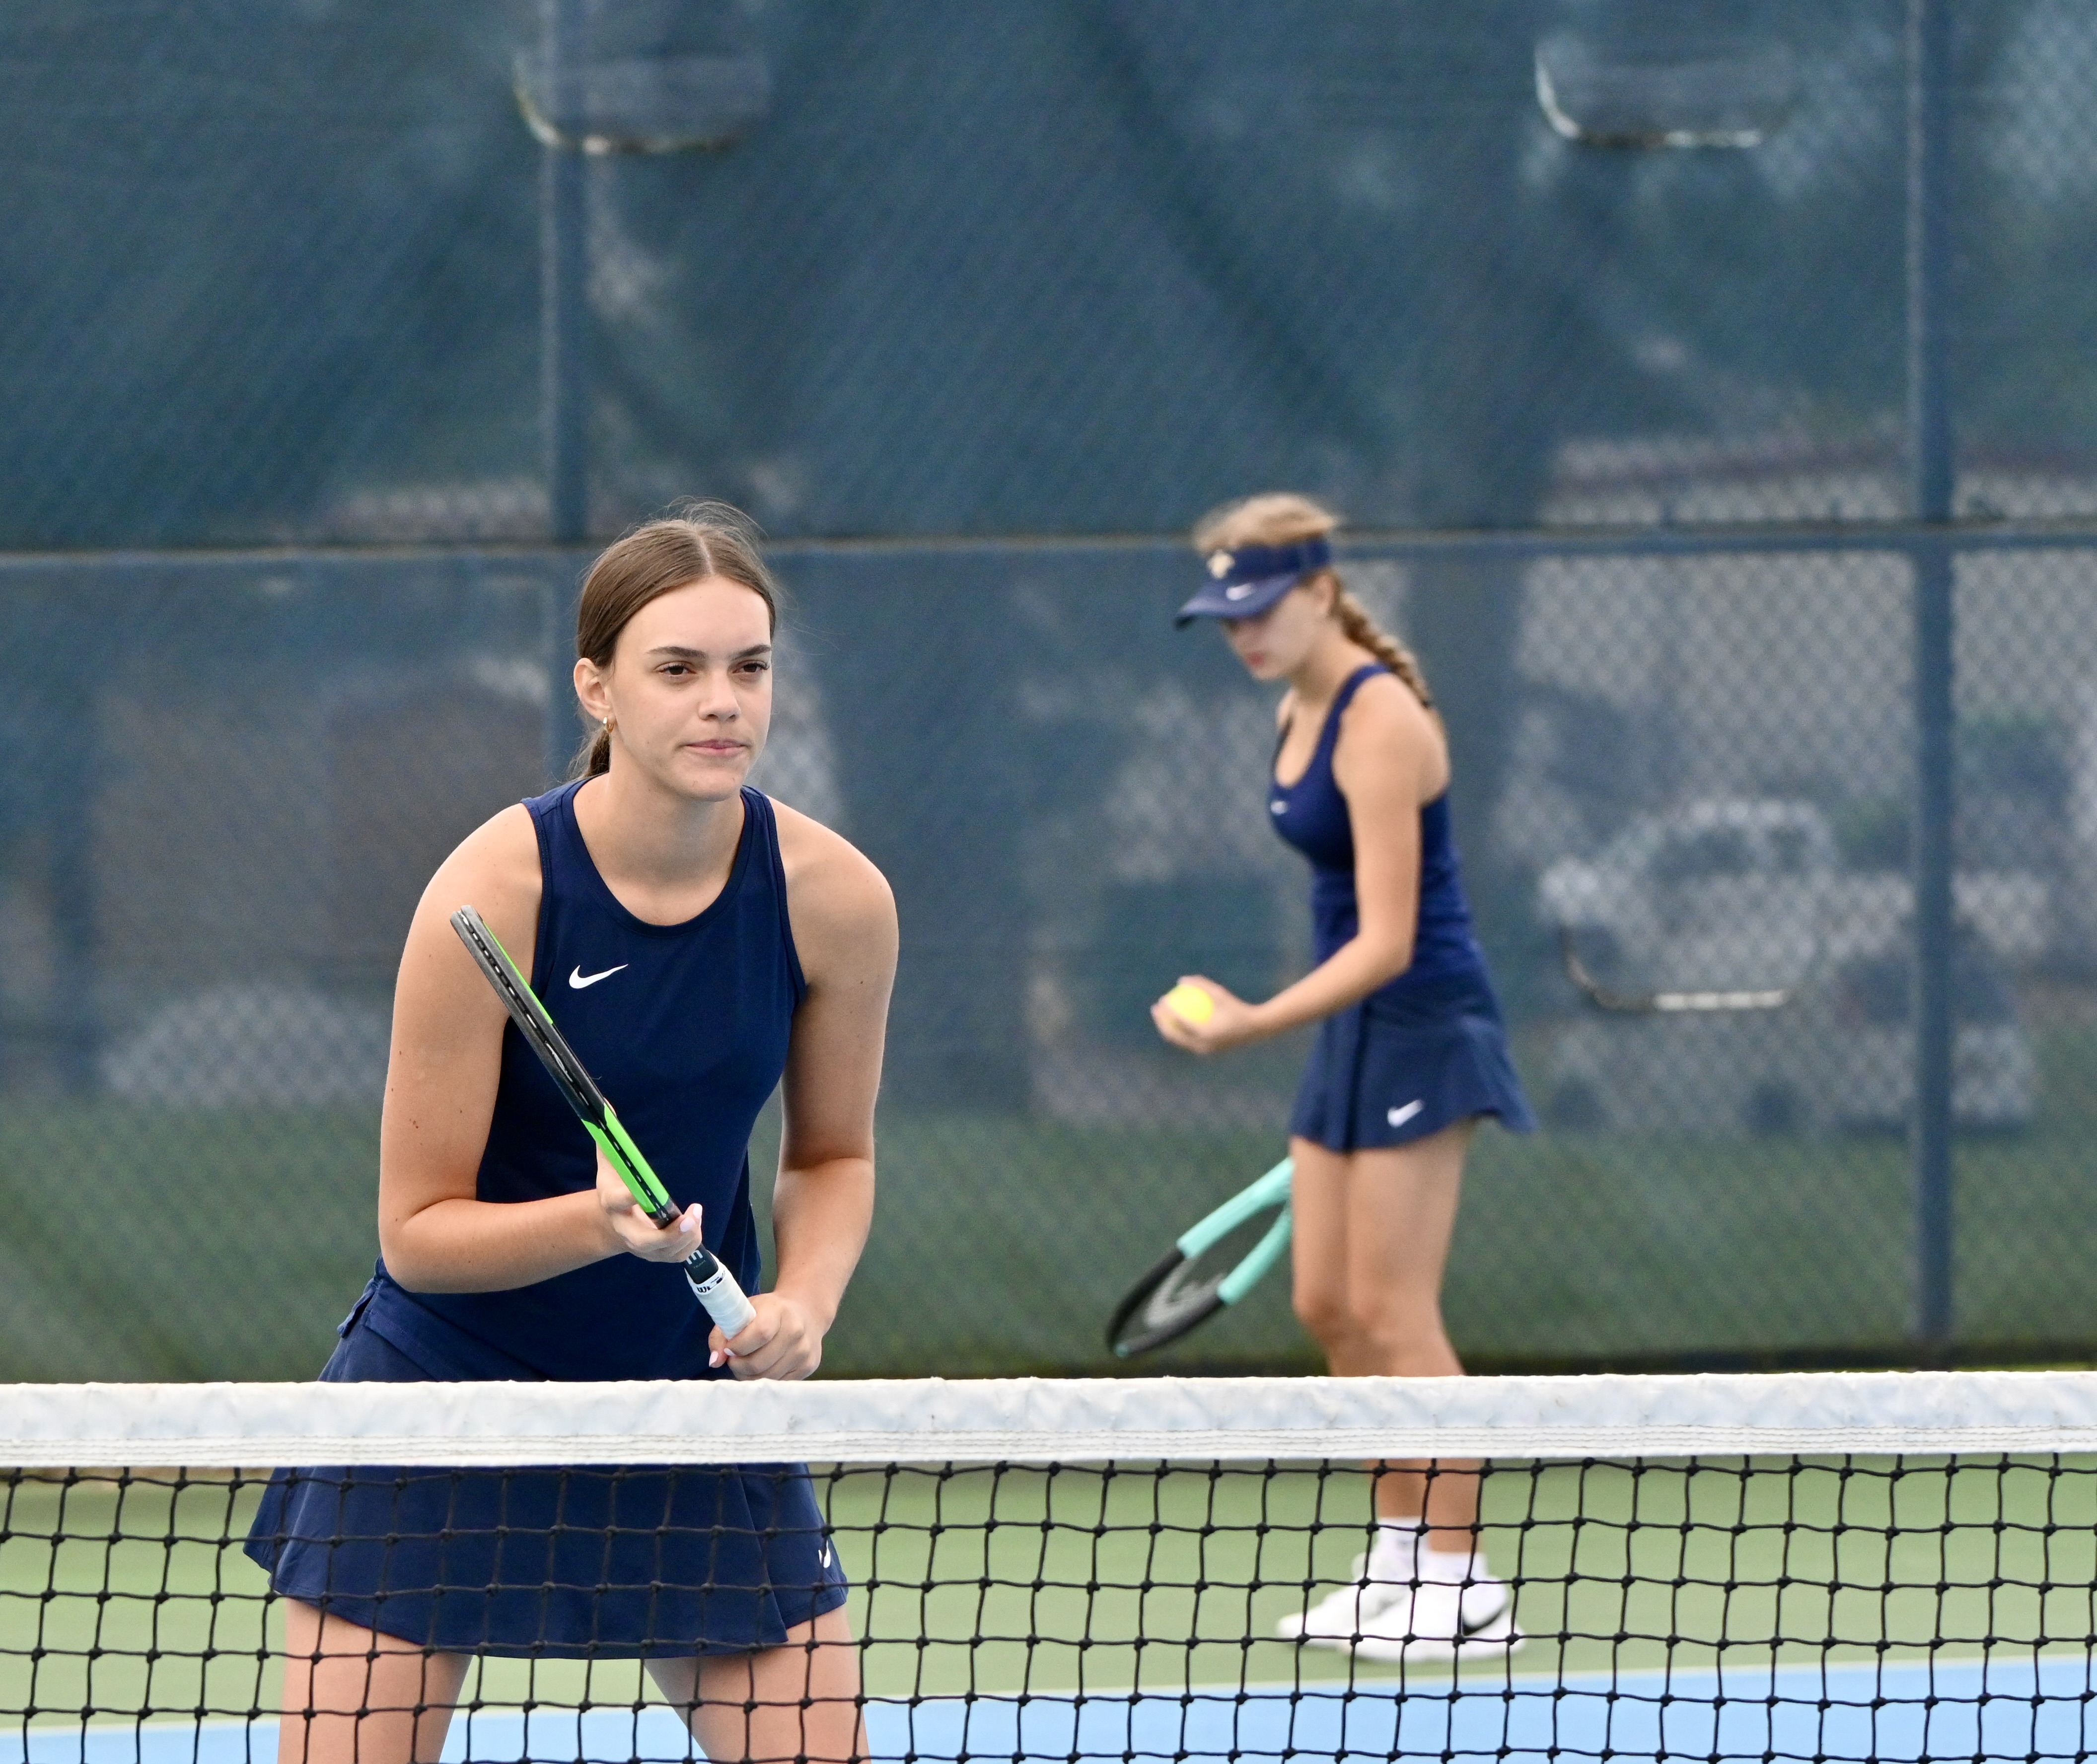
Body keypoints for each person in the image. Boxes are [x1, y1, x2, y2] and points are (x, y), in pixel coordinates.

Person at [245, 504, 897, 1764]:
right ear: (597, 686)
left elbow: (834, 1154)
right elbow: (417, 1234)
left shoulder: (837, 898)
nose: (723, 702)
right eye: (678, 669)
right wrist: (594, 1224)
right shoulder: (494, 890)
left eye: (750, 667)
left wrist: (805, 1301)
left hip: (688, 1398)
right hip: (446, 1389)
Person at [1153, 493, 1534, 1662]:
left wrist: (1253, 1020)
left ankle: (1465, 1585)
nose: (1245, 634)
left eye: (1262, 610)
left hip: (1424, 1022)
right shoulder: (1294, 706)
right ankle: (1399, 1560)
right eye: (1227, 618)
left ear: (1322, 592)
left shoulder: (1382, 722)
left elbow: (1389, 940)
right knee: (1326, 1302)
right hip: (1353, 1034)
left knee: (1395, 1310)